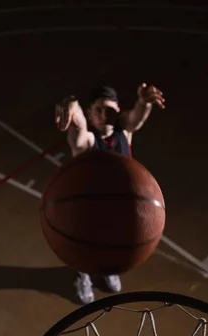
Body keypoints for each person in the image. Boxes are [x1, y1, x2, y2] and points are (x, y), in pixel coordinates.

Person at [55, 82, 165, 304]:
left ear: (118, 111)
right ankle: (83, 275)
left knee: (113, 241)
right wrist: (72, 106)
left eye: (110, 110)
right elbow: (77, 129)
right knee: (83, 243)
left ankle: (105, 270)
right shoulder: (87, 142)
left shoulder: (124, 132)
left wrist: (144, 102)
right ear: (89, 113)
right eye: (98, 109)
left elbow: (137, 117)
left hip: (119, 205)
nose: (104, 115)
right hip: (88, 207)